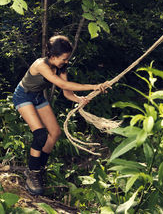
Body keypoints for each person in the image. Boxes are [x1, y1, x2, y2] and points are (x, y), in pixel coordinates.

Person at [12, 35, 109, 196]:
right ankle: (32, 172)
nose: (66, 61)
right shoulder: (41, 65)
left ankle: (39, 168)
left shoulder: (61, 66)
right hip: (23, 96)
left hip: (37, 97)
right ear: (53, 55)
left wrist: (79, 99)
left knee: (55, 133)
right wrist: (95, 86)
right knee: (40, 134)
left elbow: (66, 92)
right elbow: (62, 84)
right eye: (64, 58)